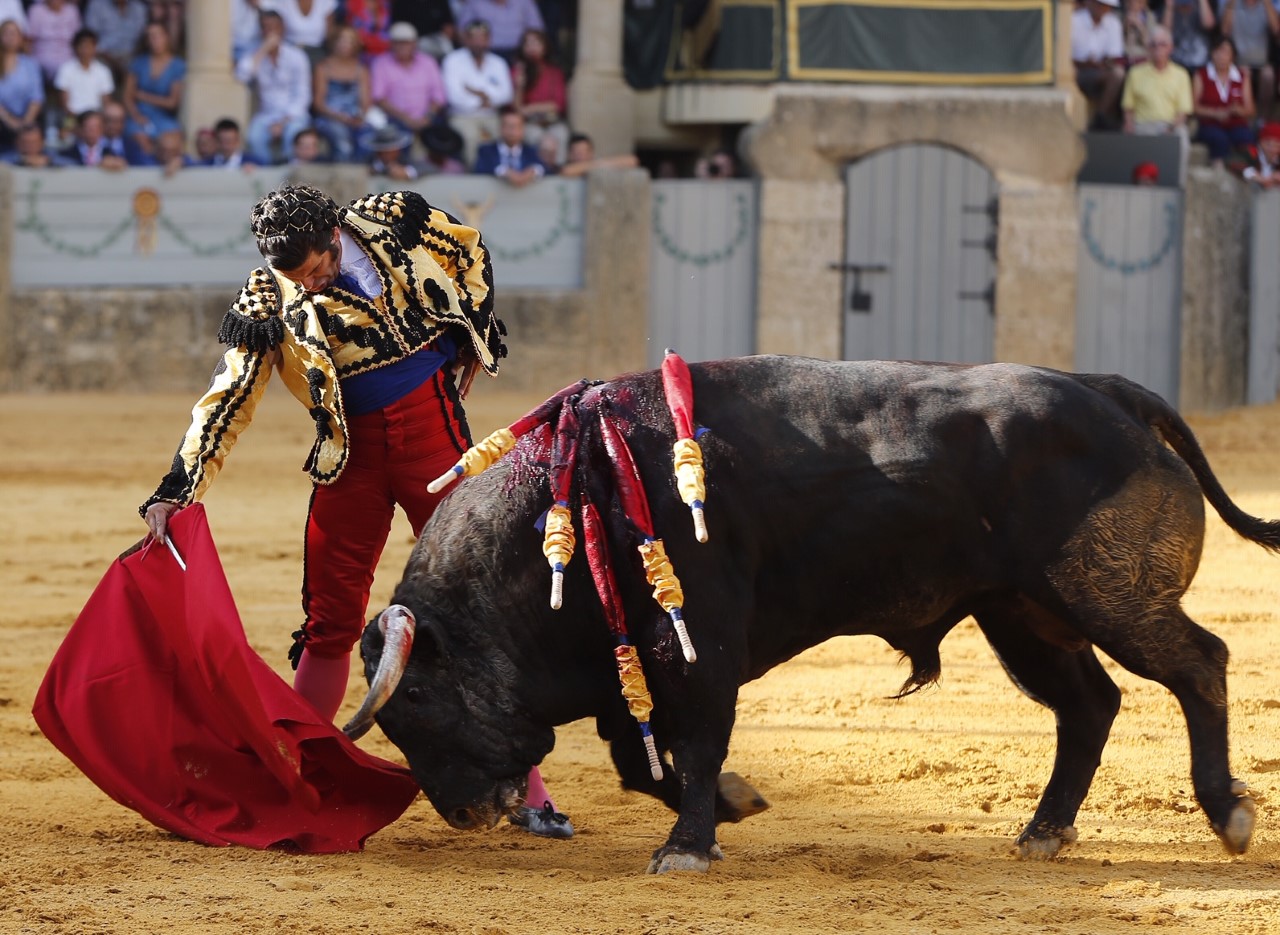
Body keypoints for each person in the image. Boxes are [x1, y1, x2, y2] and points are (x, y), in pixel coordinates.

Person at [139, 183, 574, 839]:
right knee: (330, 619)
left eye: (314, 269)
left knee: (480, 614)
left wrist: (472, 334)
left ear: (332, 237)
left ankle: (527, 791)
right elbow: (229, 393)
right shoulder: (267, 295)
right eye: (297, 278)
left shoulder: (393, 219)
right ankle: (295, 777)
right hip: (352, 461)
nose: (309, 286)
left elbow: (470, 249)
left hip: (438, 443)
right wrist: (180, 483)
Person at [236, 10, 312, 165]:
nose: (270, 32)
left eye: (274, 27)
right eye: (265, 27)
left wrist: (283, 122)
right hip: (266, 115)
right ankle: (267, 174)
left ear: (282, 29)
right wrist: (264, 49)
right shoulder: (255, 53)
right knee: (254, 137)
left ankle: (288, 177)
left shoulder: (297, 56)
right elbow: (242, 75)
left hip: (293, 115)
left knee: (293, 134)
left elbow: (303, 95)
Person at [441, 19, 513, 166]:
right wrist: (485, 99)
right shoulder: (453, 60)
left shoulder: (498, 62)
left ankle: (501, 177)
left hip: (492, 116)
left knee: (507, 137)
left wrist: (477, 94)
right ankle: (476, 181)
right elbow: (454, 96)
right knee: (470, 138)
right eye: (474, 38)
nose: (479, 43)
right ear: (466, 39)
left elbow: (506, 94)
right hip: (462, 116)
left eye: (483, 38)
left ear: (489, 39)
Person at [369, 21, 445, 141]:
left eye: (406, 43)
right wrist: (406, 120)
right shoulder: (381, 63)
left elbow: (439, 96)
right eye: (398, 43)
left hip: (428, 119)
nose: (402, 47)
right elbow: (379, 98)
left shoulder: (428, 62)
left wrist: (427, 118)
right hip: (395, 120)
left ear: (415, 43)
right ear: (391, 44)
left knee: (444, 142)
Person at [123, 20, 186, 160]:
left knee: (174, 140)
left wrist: (143, 96)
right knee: (140, 140)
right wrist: (136, 116)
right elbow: (128, 96)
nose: (154, 40)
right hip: (139, 115)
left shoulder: (177, 65)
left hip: (164, 117)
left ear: (166, 37)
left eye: (158, 35)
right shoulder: (138, 62)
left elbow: (172, 103)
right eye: (150, 36)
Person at [312, 25, 373, 163]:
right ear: (334, 42)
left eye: (350, 40)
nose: (346, 44)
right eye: (342, 40)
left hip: (354, 117)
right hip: (329, 117)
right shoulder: (323, 68)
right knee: (342, 142)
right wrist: (340, 117)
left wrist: (360, 116)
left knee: (368, 138)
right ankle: (343, 178)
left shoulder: (361, 70)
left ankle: (361, 175)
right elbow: (319, 103)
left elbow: (365, 101)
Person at [1192, 35, 1255, 167]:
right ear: (1212, 53)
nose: (1221, 55)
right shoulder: (1201, 74)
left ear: (1233, 56)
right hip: (1209, 124)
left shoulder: (1242, 76)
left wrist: (1238, 110)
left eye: (1226, 51)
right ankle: (1219, 174)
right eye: (1218, 51)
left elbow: (1251, 110)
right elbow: (1194, 107)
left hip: (1236, 123)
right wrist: (1215, 113)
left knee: (1247, 138)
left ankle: (1248, 172)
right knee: (1219, 139)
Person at [1122, 25, 1193, 134]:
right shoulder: (1135, 73)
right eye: (1153, 45)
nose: (1158, 48)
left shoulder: (1181, 74)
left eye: (1162, 45)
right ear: (1148, 48)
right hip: (1142, 125)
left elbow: (1183, 112)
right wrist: (1129, 124)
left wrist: (1171, 128)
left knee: (1181, 133)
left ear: (1171, 48)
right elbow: (1128, 106)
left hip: (1170, 125)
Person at [1220, 0, 1280, 124]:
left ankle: (1263, 119)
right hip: (1237, 62)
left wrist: (1267, 2)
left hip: (1262, 62)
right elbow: (1225, 31)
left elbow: (1276, 29)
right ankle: (1243, 120)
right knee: (1241, 73)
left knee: (1268, 75)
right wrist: (1231, 4)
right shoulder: (1232, 5)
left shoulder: (1265, 6)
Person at [510, 27, 568, 154]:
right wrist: (519, 86)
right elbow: (516, 109)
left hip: (553, 121)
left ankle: (557, 172)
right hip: (529, 124)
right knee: (533, 137)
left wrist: (530, 108)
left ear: (545, 46)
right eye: (528, 43)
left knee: (561, 134)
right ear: (522, 48)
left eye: (536, 43)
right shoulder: (517, 71)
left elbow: (558, 105)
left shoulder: (555, 72)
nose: (532, 47)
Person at [1072, 0, 1126, 129]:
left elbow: (1113, 57)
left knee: (1118, 74)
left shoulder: (1113, 23)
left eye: (1107, 6)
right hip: (1075, 71)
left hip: (1099, 72)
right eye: (1100, 4)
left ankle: (1100, 119)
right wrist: (1085, 63)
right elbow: (1066, 57)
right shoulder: (1073, 20)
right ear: (1089, 2)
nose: (1103, 9)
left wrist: (1096, 64)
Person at [0, 20, 45, 154]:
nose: (10, 37)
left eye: (14, 33)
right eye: (6, 33)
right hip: (2, 120)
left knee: (33, 133)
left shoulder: (30, 64)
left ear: (20, 38)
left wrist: (26, 122)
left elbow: (36, 97)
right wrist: (10, 121)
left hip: (26, 119)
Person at [472, 104, 543, 185]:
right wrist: (504, 171)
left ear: (522, 130)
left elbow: (546, 168)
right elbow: (479, 169)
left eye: (516, 126)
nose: (512, 131)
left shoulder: (530, 151)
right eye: (508, 126)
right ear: (500, 128)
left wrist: (532, 170)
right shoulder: (486, 150)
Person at [83, 0, 148, 86]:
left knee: (141, 66)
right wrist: (107, 56)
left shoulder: (139, 8)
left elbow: (142, 38)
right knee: (97, 66)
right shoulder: (96, 5)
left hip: (131, 55)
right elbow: (90, 37)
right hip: (104, 55)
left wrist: (134, 56)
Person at [55, 28, 115, 119]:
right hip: (71, 118)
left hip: (96, 119)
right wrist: (78, 120)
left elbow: (106, 103)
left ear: (95, 48)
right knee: (64, 131)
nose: (85, 50)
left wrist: (95, 119)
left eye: (89, 46)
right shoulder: (65, 69)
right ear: (75, 47)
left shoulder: (104, 71)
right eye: (82, 46)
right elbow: (64, 104)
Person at [455, 0, 544, 61]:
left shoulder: (524, 2)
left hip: (519, 54)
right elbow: (463, 32)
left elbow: (537, 31)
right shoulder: (475, 3)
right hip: (486, 54)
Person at [27, 0, 81, 84]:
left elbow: (78, 39)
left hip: (68, 58)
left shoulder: (72, 10)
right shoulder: (36, 10)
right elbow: (29, 39)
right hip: (42, 60)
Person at [268, 0, 338, 63]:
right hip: (290, 51)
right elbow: (277, 30)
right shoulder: (283, 2)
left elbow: (330, 34)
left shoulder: (325, 2)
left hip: (317, 52)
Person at [58, 107, 128, 169]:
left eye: (96, 127)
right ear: (80, 129)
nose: (93, 132)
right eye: (88, 128)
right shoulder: (68, 153)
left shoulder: (111, 152)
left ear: (102, 129)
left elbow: (125, 165)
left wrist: (117, 164)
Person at [556, 131, 639, 178]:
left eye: (583, 152)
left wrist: (599, 164)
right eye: (576, 153)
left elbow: (632, 161)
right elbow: (567, 171)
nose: (580, 156)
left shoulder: (597, 164)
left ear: (591, 153)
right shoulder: (564, 169)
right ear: (569, 154)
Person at [1162, 0, 1215, 73]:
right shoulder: (1170, 10)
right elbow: (1164, 33)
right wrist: (1169, 7)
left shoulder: (1200, 8)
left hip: (1201, 63)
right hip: (1176, 64)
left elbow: (1209, 25)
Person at [1231, 120, 1280, 186]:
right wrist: (1257, 176)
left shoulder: (1277, 159)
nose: (1272, 149)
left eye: (1276, 145)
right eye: (1268, 144)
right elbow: (1235, 163)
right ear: (1260, 142)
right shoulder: (1251, 152)